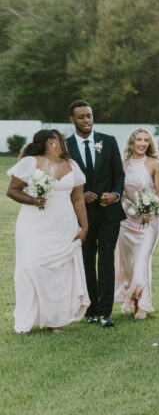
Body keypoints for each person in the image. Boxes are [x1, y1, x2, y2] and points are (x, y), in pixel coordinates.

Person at [6, 130, 90, 333]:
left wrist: (84, 227)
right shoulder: (30, 162)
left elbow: (78, 199)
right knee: (31, 268)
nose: (66, 143)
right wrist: (33, 200)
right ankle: (27, 319)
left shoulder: (72, 166)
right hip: (33, 225)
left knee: (59, 273)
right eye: (62, 139)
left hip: (64, 226)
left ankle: (55, 320)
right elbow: (12, 190)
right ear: (52, 142)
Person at [66, 100, 125, 328]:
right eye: (81, 117)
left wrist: (115, 194)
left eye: (89, 116)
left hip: (109, 213)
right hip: (82, 215)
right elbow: (64, 178)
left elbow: (119, 175)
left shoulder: (108, 141)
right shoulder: (66, 146)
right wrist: (80, 195)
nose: (86, 120)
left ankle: (105, 312)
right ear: (72, 120)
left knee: (107, 260)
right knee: (87, 260)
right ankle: (90, 310)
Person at [114, 128, 159, 319]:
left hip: (149, 221)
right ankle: (133, 299)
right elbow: (120, 192)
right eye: (139, 140)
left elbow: (158, 192)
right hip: (127, 221)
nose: (143, 143)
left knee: (142, 262)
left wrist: (150, 208)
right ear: (132, 142)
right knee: (130, 265)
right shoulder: (123, 164)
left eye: (146, 140)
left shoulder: (155, 163)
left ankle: (143, 305)